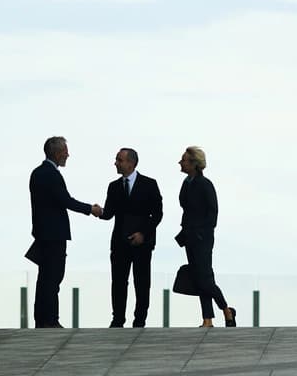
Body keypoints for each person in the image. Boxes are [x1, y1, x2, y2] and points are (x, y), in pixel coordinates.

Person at [28, 136, 100, 328]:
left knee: (44, 278)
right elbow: (65, 200)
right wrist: (90, 209)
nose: (68, 154)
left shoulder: (37, 173)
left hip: (42, 233)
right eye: (65, 151)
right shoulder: (52, 175)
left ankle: (42, 319)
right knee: (53, 278)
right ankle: (50, 320)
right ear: (58, 152)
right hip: (54, 235)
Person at [98, 148, 163, 327]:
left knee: (142, 282)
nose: (116, 163)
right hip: (120, 242)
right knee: (118, 282)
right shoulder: (114, 186)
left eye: (119, 160)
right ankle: (118, 319)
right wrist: (96, 211)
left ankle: (140, 319)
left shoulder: (149, 184)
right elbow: (109, 213)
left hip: (142, 243)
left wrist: (143, 234)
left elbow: (157, 214)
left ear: (131, 163)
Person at [175, 145, 236, 327]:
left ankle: (226, 309)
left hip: (202, 238)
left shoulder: (205, 184)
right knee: (198, 277)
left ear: (194, 163)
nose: (180, 162)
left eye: (184, 160)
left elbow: (213, 212)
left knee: (204, 278)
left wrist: (202, 232)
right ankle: (207, 319)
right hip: (189, 236)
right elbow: (186, 210)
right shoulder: (186, 183)